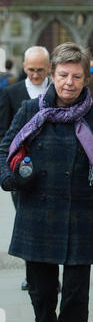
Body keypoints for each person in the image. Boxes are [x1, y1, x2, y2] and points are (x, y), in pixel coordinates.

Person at [0, 42, 93, 322]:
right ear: (52, 75)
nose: (69, 82)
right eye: (63, 75)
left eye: (77, 76)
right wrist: (10, 177)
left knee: (75, 297)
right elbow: (3, 148)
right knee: (41, 292)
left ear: (86, 78)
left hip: (82, 215)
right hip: (37, 213)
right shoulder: (29, 110)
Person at [0, 46, 51, 291]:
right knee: (26, 221)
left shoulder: (58, 90)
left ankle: (51, 274)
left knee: (50, 222)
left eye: (40, 70)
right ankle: (32, 275)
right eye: (31, 70)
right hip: (20, 169)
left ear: (49, 68)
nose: (35, 74)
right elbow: (3, 135)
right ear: (23, 67)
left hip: (53, 168)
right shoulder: (11, 93)